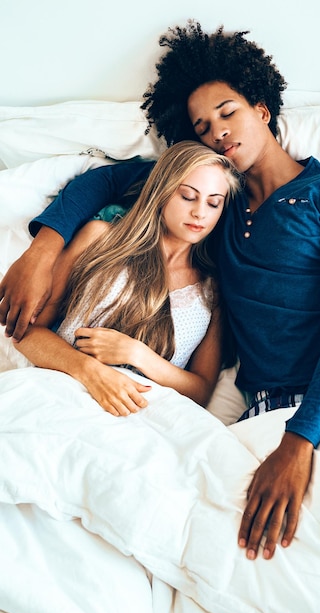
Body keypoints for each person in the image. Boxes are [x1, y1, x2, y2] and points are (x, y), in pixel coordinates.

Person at [0, 21, 320, 560]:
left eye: (228, 111)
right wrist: (42, 249)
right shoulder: (212, 201)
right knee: (257, 560)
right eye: (202, 125)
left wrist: (300, 440)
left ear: (262, 109)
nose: (217, 130)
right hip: (261, 411)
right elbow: (102, 181)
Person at [9, 140, 241, 415]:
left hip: (149, 417)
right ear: (161, 192)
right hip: (65, 397)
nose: (200, 212)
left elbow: (201, 391)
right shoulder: (99, 238)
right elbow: (28, 334)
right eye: (188, 196)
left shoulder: (213, 289)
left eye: (214, 203)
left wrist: (137, 355)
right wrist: (89, 370)